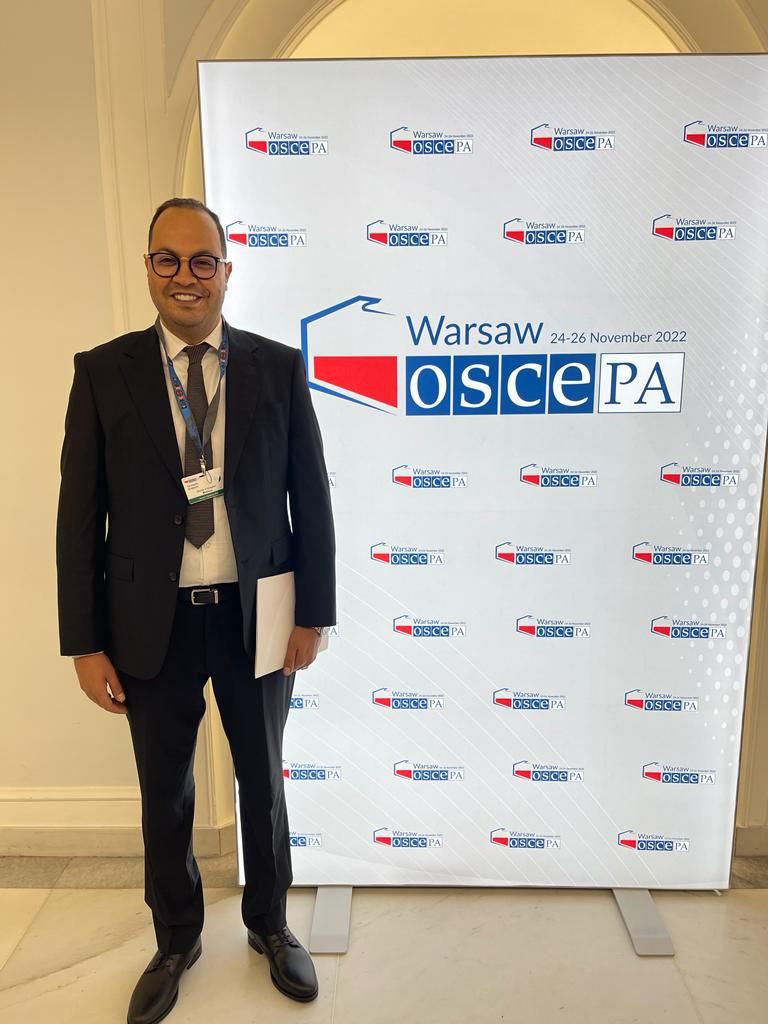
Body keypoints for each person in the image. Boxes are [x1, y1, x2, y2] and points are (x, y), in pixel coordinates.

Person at [55, 197, 336, 1024]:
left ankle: (270, 924)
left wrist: (313, 614)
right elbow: (79, 517)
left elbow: (311, 498)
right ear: (149, 268)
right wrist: (84, 642)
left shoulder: (277, 368)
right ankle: (175, 939)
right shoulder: (102, 372)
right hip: (151, 625)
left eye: (202, 260)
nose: (186, 277)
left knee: (265, 784)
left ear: (225, 270)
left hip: (258, 617)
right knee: (164, 793)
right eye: (168, 260)